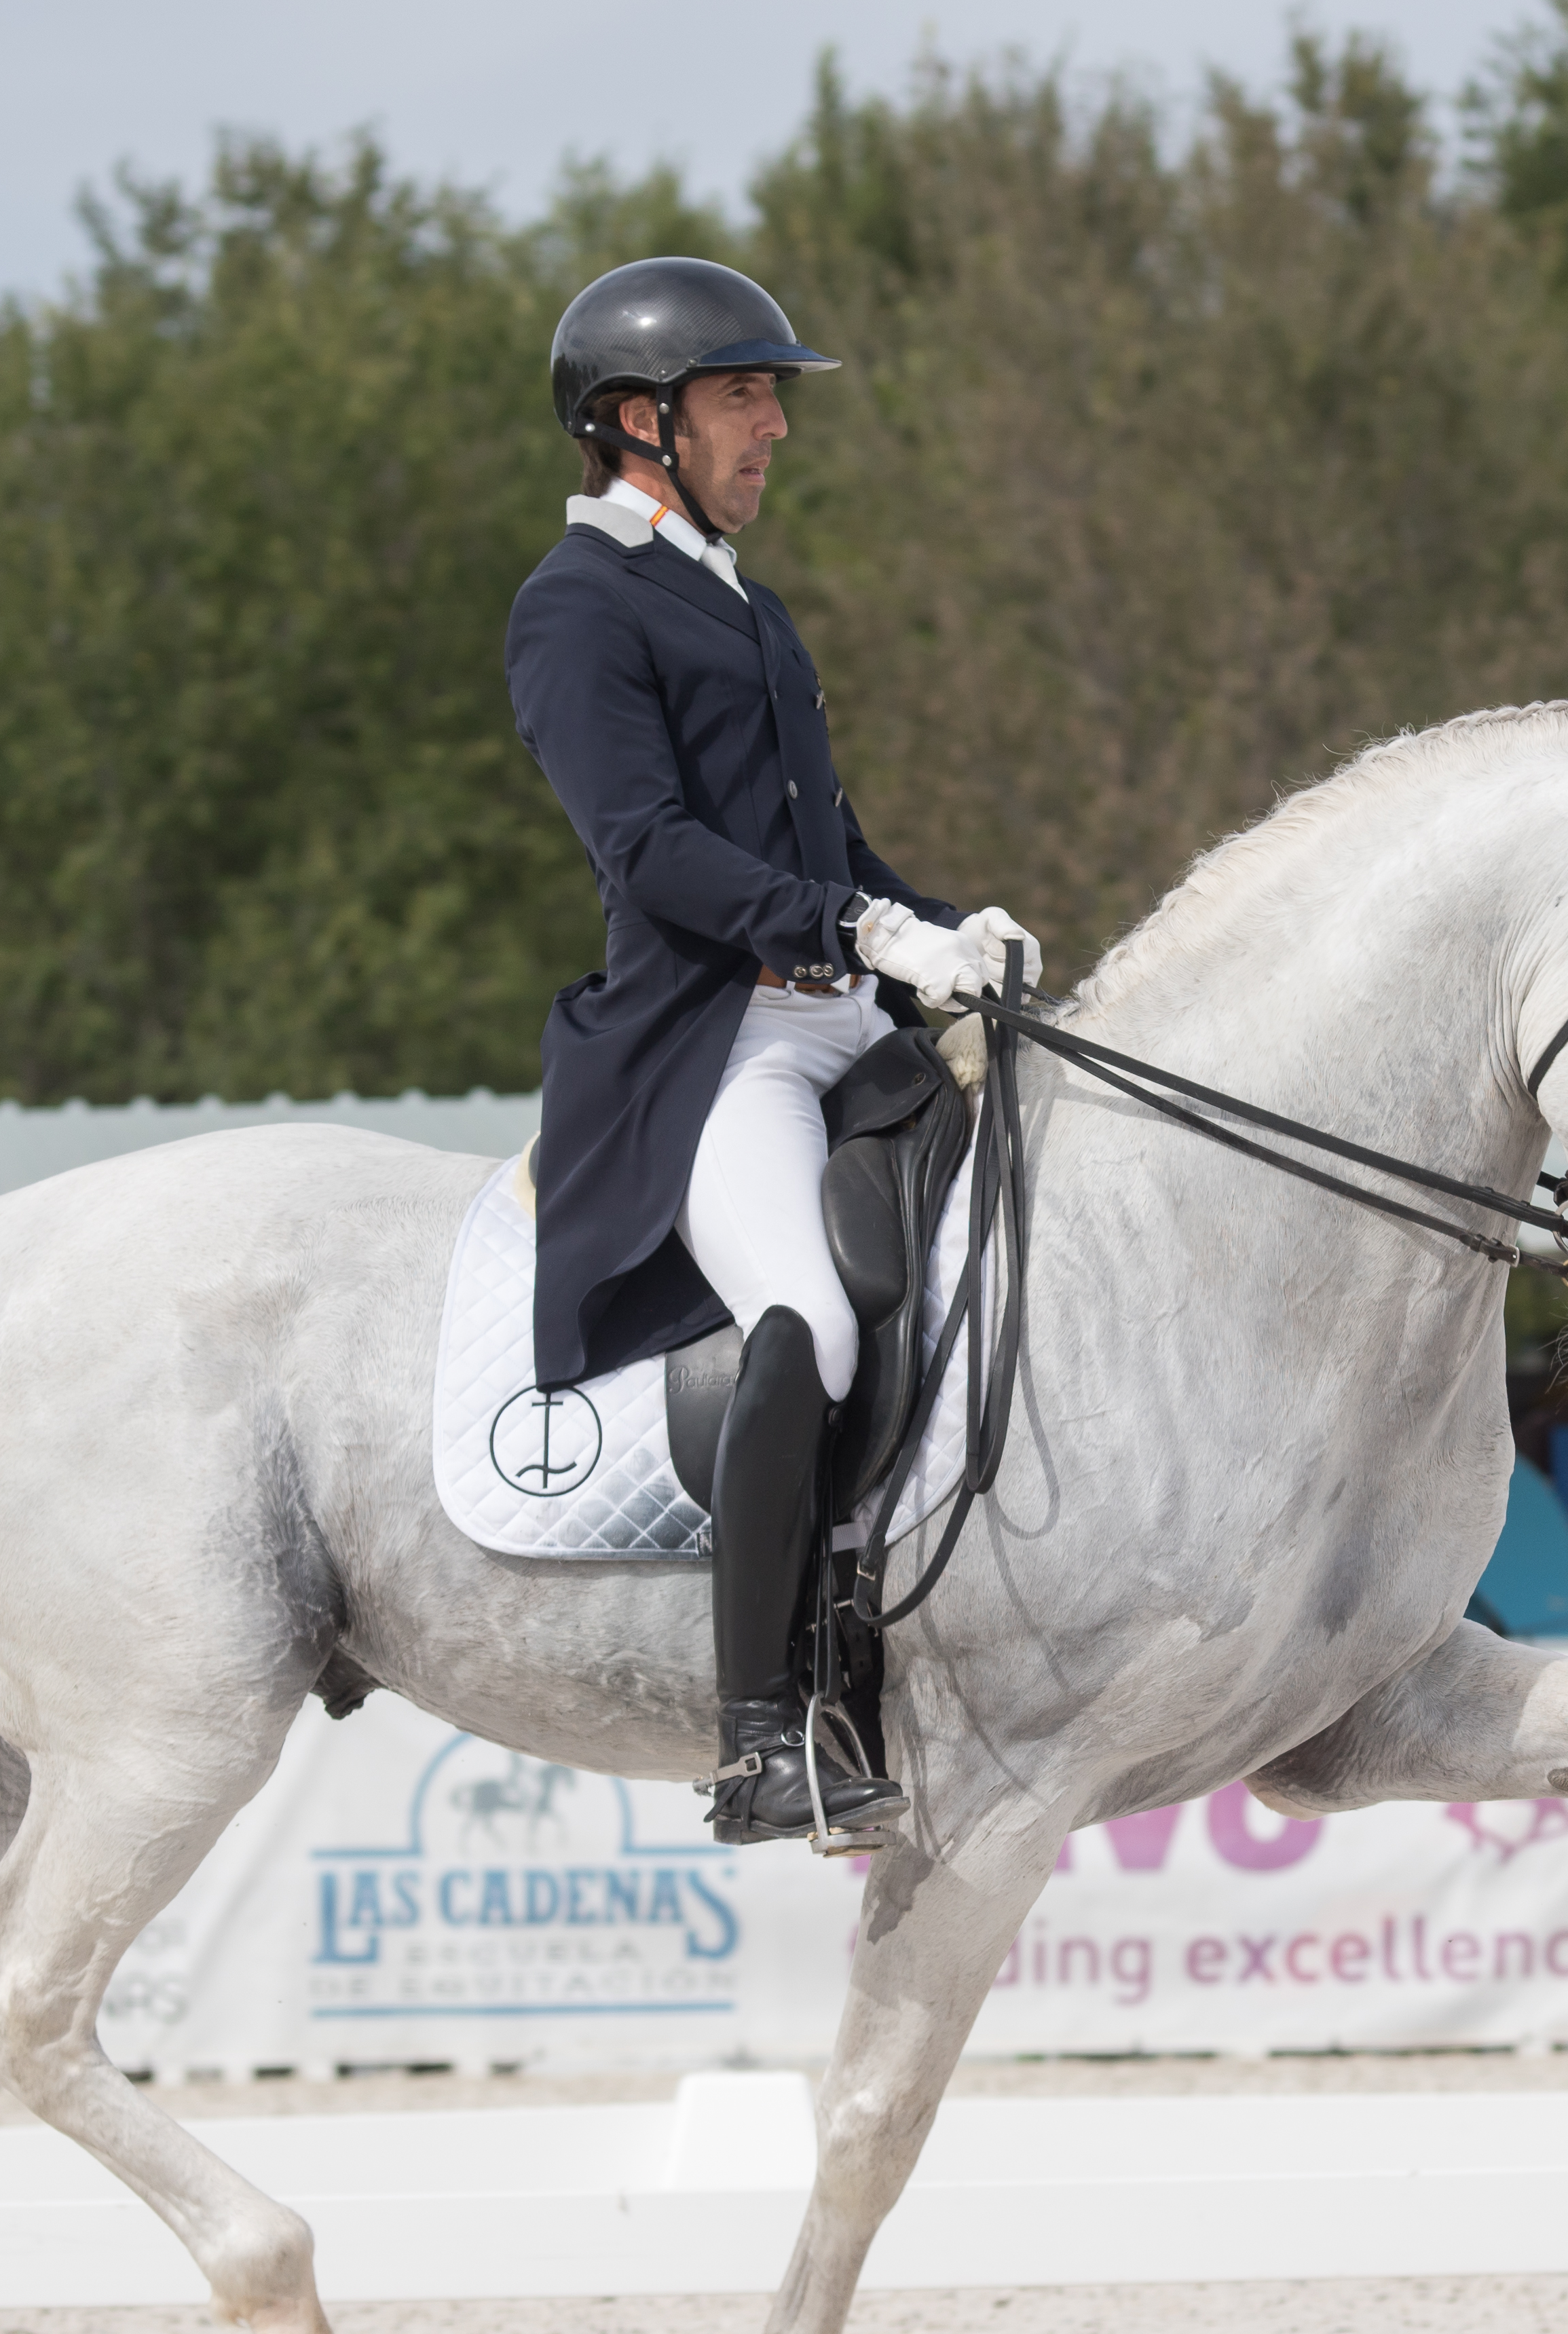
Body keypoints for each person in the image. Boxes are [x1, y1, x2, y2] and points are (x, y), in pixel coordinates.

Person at [506, 257, 1042, 1845]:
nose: (773, 431)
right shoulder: (578, 605)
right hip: (712, 1051)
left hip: (844, 1021)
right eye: (745, 397)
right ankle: (763, 1732)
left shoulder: (745, 596)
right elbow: (653, 849)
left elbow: (834, 843)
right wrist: (867, 936)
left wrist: (949, 927)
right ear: (636, 420)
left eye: (771, 401)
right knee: (804, 1310)